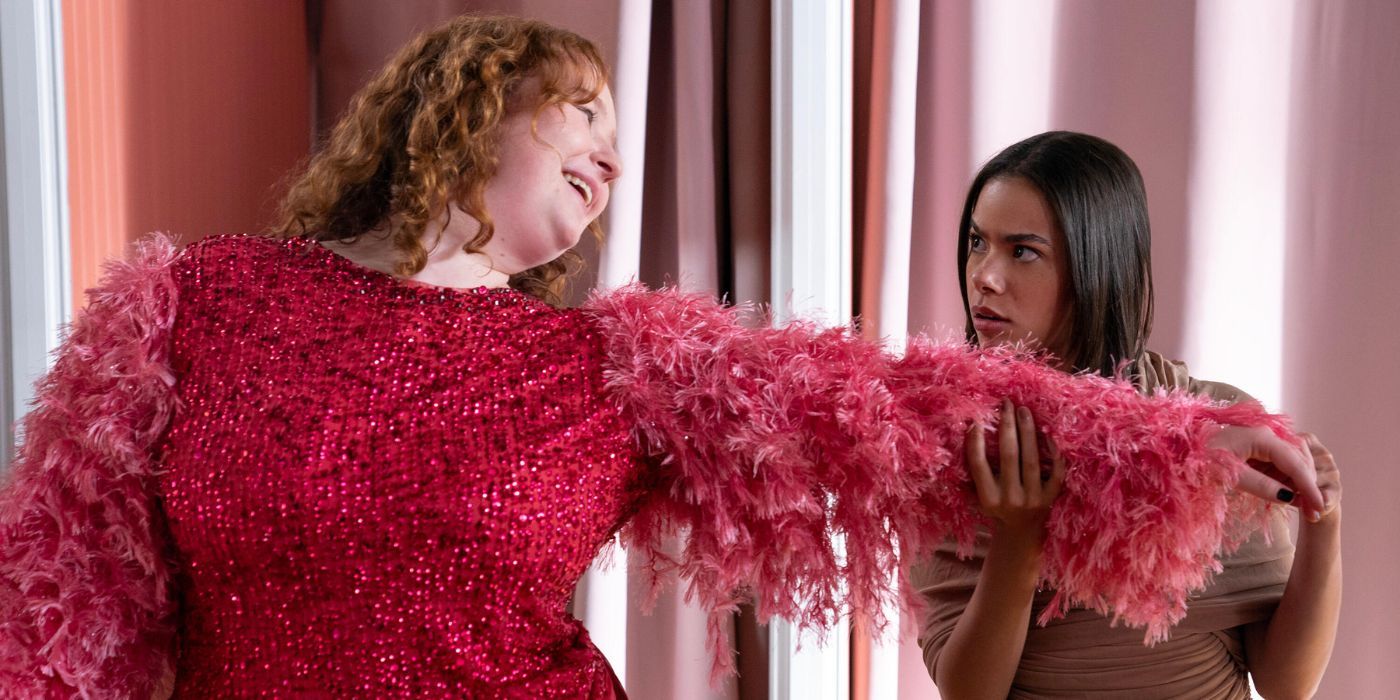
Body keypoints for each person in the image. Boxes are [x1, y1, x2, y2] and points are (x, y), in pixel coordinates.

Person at [0, 18, 1321, 699]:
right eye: (585, 110)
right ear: (470, 99)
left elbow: (875, 410)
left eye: (624, 137)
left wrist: (1185, 443)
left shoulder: (607, 364)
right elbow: (59, 605)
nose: (616, 155)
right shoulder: (191, 298)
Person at [914, 131, 1342, 699]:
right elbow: (968, 693)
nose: (984, 276)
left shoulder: (1222, 429)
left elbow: (1286, 684)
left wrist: (1323, 524)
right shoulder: (950, 441)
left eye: (1022, 251)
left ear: (1099, 265)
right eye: (976, 242)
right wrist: (1020, 541)